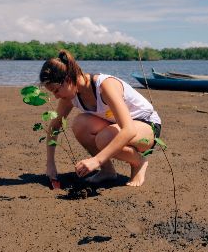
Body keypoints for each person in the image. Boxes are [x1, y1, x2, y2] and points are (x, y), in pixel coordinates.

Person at [39, 50, 162, 187]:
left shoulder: (105, 86)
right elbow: (54, 127)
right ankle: (107, 171)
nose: (56, 96)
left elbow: (129, 130)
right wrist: (50, 164)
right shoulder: (70, 95)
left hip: (147, 126)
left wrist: (96, 160)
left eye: (56, 90)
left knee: (104, 138)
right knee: (80, 124)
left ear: (68, 80)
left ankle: (139, 162)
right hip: (115, 126)